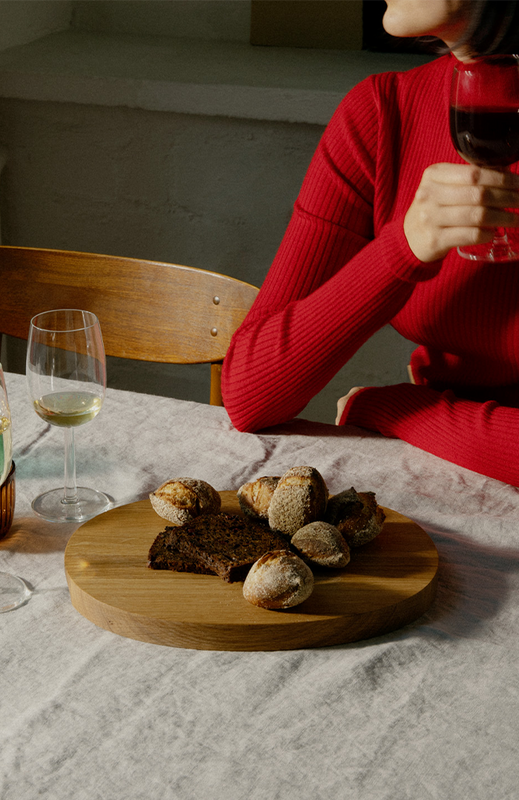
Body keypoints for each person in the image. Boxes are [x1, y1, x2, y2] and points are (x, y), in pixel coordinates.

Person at [221, 0, 519, 487]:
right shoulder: (384, 112)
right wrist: (403, 248)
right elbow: (250, 393)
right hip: (450, 480)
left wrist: (393, 406)